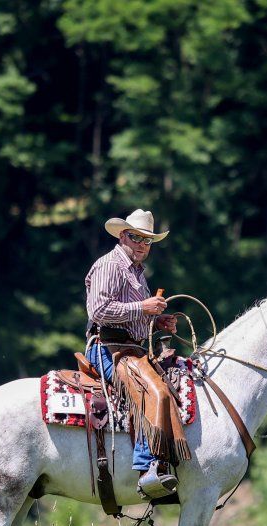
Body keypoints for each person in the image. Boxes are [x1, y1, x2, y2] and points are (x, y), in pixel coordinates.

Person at [84, 209, 180, 498]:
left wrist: (157, 320)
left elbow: (135, 317)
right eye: (136, 237)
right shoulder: (110, 265)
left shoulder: (137, 272)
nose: (142, 244)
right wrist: (143, 308)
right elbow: (98, 310)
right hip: (107, 347)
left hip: (133, 348)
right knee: (150, 389)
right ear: (122, 235)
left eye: (147, 241)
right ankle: (147, 467)